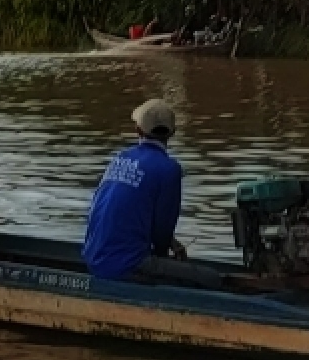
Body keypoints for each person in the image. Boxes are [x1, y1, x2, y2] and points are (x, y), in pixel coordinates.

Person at [82, 100, 223, 290]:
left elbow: (119, 212)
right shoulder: (169, 169)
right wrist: (167, 256)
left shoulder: (120, 158)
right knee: (212, 279)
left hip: (93, 257)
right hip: (126, 266)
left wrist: (172, 243)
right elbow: (162, 233)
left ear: (138, 130)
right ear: (172, 133)